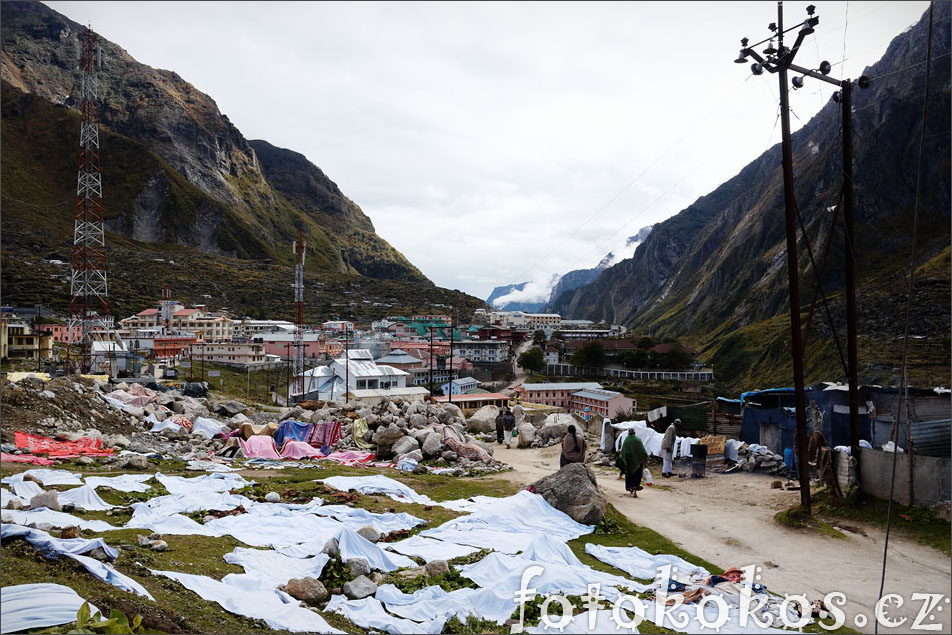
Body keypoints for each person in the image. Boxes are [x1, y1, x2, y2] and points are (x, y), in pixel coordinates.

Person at [616, 432, 648, 497]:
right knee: (637, 476)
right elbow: (643, 451)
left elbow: (623, 452)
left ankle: (630, 488)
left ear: (629, 433)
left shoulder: (626, 440)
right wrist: (644, 459)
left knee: (629, 475)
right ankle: (635, 491)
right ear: (634, 433)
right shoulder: (638, 440)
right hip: (637, 463)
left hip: (628, 463)